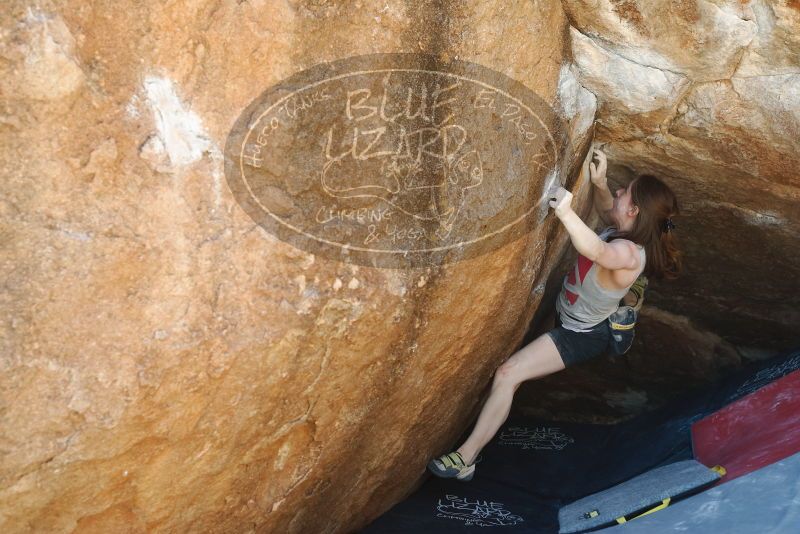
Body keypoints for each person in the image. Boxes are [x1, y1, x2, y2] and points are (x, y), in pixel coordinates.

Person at [427, 147, 682, 481]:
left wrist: (564, 211)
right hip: (568, 311)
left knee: (508, 374)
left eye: (625, 192)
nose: (619, 192)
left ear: (634, 210)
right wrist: (600, 183)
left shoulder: (629, 254)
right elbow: (609, 213)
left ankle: (466, 458)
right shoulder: (625, 229)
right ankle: (628, 305)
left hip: (580, 336)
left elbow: (596, 249)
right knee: (621, 287)